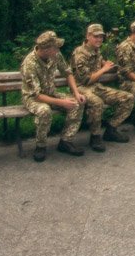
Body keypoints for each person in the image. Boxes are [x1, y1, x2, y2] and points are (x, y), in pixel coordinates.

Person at [20, 31, 86, 161]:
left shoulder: (55, 55)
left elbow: (68, 73)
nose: (58, 49)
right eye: (55, 47)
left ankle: (66, 141)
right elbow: (37, 95)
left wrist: (76, 93)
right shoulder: (29, 63)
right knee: (44, 110)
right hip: (32, 98)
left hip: (51, 93)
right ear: (46, 49)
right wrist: (61, 103)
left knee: (76, 104)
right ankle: (41, 146)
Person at [70, 23, 135, 152]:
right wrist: (104, 69)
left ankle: (111, 129)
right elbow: (86, 80)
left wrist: (106, 64)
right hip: (81, 88)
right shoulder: (79, 53)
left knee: (128, 97)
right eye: (96, 36)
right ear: (88, 36)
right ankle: (95, 137)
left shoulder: (96, 49)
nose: (99, 39)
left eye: (101, 37)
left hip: (96, 86)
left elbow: (98, 62)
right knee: (97, 103)